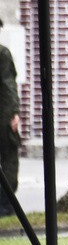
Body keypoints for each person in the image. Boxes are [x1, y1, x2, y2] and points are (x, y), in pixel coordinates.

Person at [0, 19, 20, 217]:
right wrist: (14, 112)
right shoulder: (2, 53)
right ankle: (5, 204)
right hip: (2, 114)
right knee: (9, 158)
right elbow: (8, 85)